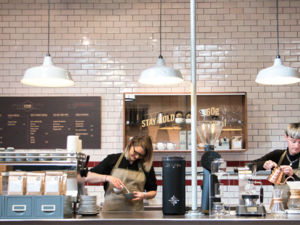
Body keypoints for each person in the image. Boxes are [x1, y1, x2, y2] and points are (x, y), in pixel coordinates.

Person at [82, 135, 157, 211]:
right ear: (130, 144)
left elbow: (153, 191)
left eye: (141, 155)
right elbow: (86, 176)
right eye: (135, 152)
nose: (137, 156)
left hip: (136, 215)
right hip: (110, 214)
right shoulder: (112, 159)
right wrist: (107, 178)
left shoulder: (146, 166)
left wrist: (144, 195)